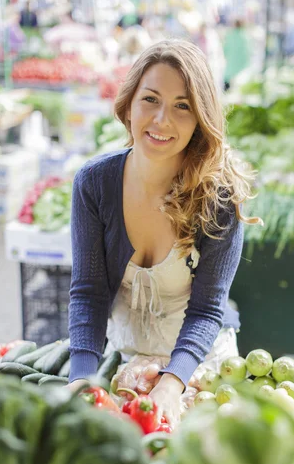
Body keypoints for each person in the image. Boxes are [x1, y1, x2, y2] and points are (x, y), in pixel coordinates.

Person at [66, 39, 259, 427]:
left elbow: (207, 310)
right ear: (129, 103)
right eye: (150, 99)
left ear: (201, 118)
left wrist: (173, 383)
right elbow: (89, 292)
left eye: (182, 106)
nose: (161, 120)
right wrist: (81, 379)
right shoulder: (95, 183)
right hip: (127, 366)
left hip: (199, 366)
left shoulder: (218, 198)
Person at [223, 19, 250, 91]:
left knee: (228, 82)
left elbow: (225, 49)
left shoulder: (230, 35)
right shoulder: (245, 36)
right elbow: (249, 50)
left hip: (231, 63)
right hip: (241, 64)